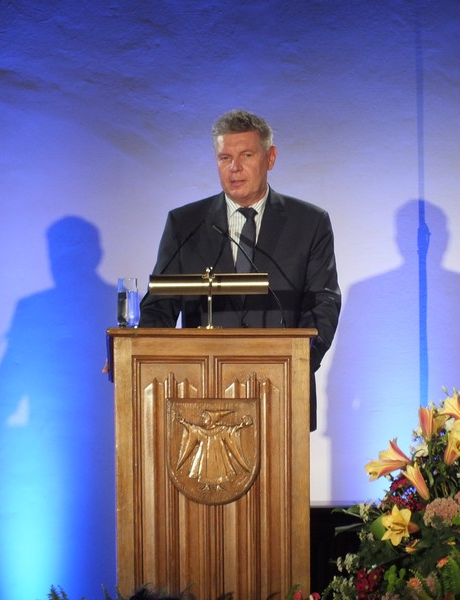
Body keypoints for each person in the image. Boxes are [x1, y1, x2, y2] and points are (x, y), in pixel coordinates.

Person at [138, 110, 341, 430]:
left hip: (283, 393)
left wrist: (300, 365)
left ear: (270, 158)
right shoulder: (185, 224)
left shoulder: (309, 222)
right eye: (225, 158)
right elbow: (159, 305)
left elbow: (323, 302)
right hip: (200, 398)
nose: (235, 167)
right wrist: (136, 355)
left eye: (246, 155)